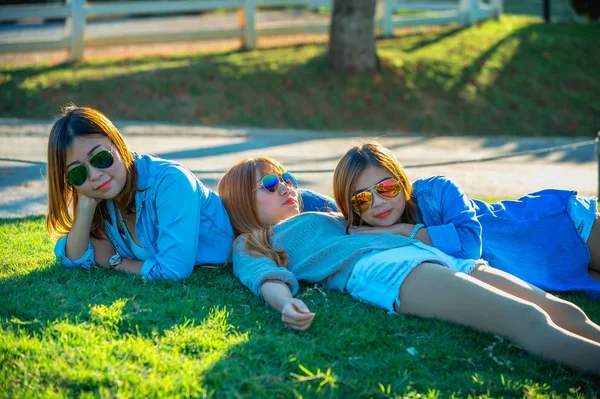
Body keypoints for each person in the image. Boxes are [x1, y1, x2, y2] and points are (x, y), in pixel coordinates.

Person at [218, 155, 600, 375]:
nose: (285, 186)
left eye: (286, 178)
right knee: (527, 320)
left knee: (561, 310)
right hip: (384, 269)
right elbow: (264, 276)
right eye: (269, 184)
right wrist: (284, 303)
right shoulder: (253, 241)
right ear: (242, 203)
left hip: (434, 255)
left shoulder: (325, 212)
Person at [46, 105, 335, 280]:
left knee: (362, 222)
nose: (95, 175)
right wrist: (84, 205)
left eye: (100, 159)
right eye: (78, 173)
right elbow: (73, 258)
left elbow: (173, 271)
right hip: (264, 237)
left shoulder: (169, 181)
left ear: (117, 145)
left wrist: (118, 262)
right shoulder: (103, 199)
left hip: (272, 213)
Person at [333, 141, 600, 298]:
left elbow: (471, 247)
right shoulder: (365, 236)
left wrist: (405, 230)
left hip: (558, 226)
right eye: (362, 199)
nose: (378, 202)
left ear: (402, 182)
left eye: (386, 188)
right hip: (538, 268)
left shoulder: (437, 191)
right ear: (352, 208)